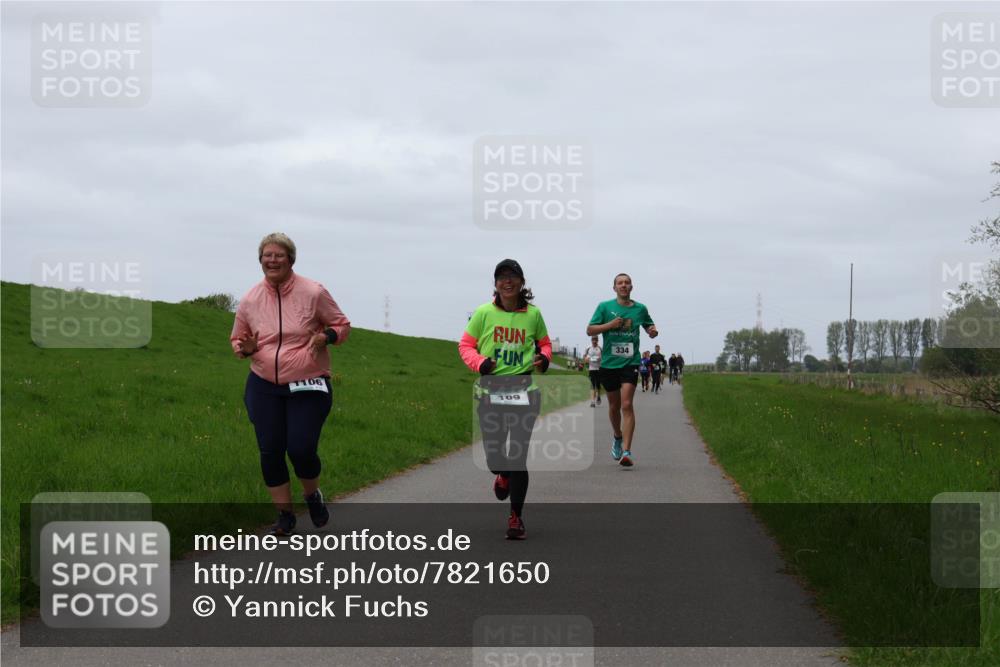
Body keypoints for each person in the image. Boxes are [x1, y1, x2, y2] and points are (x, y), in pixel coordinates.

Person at [231, 232, 351, 536]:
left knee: (300, 448)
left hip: (308, 383)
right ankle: (284, 516)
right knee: (270, 451)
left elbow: (341, 325)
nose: (272, 260)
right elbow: (238, 338)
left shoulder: (313, 292)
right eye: (266, 256)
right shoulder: (250, 299)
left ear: (291, 259)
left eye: (279, 255)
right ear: (260, 261)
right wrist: (243, 349)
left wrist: (326, 336)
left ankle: (312, 495)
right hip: (263, 384)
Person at [459, 259, 552, 540]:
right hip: (490, 392)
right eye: (501, 277)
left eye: (513, 277)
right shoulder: (483, 313)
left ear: (522, 282)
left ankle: (516, 517)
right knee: (497, 459)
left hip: (524, 390)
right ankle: (502, 475)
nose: (507, 282)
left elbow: (545, 343)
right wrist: (480, 363)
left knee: (518, 457)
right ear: (495, 283)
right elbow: (465, 345)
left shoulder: (533, 315)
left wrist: (544, 358)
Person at [586, 273, 658, 467]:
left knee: (627, 404)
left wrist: (652, 331)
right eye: (620, 283)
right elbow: (590, 330)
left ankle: (626, 451)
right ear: (614, 288)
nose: (623, 285)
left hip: (630, 363)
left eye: (627, 283)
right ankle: (617, 436)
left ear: (631, 287)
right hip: (609, 363)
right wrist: (611, 325)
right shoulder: (604, 307)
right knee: (614, 406)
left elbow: (649, 325)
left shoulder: (640, 309)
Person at [583, 335, 603, 407]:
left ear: (597, 341)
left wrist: (600, 359)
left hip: (599, 369)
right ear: (591, 340)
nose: (594, 341)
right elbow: (584, 358)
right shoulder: (588, 348)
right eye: (593, 340)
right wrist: (587, 360)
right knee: (592, 385)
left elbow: (604, 358)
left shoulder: (600, 348)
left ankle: (599, 396)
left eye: (596, 340)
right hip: (591, 369)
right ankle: (592, 401)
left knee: (598, 385)